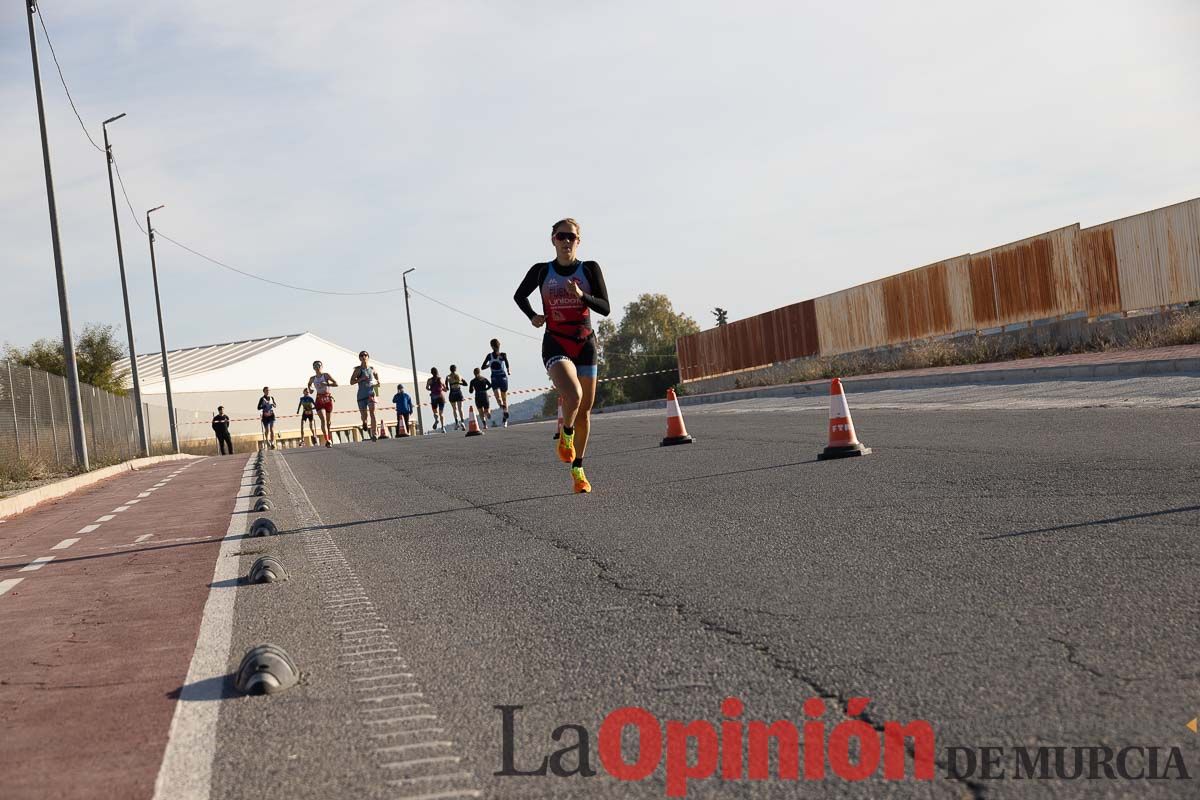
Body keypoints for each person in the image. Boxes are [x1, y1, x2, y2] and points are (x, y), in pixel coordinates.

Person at [514, 217, 610, 493]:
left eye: (571, 237)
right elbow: (519, 295)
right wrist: (533, 316)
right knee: (574, 395)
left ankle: (578, 470)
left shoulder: (589, 269)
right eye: (561, 237)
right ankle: (565, 434)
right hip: (556, 341)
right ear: (552, 239)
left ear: (579, 242)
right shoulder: (542, 271)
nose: (566, 242)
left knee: (585, 412)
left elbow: (605, 307)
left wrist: (581, 295)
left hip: (585, 343)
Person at [306, 360, 339, 447]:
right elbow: (309, 384)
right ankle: (327, 440)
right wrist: (310, 389)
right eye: (315, 365)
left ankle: (329, 437)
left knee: (328, 422)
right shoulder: (312, 378)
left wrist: (327, 384)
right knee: (323, 420)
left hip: (328, 399)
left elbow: (336, 384)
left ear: (322, 366)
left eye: (319, 365)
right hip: (319, 399)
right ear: (313, 368)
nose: (317, 367)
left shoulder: (326, 375)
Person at [351, 350, 380, 442]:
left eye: (365, 355)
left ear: (368, 357)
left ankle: (374, 433)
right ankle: (364, 422)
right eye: (362, 355)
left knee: (373, 413)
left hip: (371, 395)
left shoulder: (372, 369)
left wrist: (378, 384)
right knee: (364, 416)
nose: (364, 356)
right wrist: (361, 379)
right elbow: (351, 382)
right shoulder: (358, 370)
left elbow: (377, 378)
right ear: (359, 358)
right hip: (361, 396)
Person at [482, 338, 512, 426]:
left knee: (498, 397)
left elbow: (482, 367)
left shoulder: (489, 356)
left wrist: (489, 365)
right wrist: (508, 370)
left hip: (495, 377)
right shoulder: (502, 354)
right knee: (504, 398)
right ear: (499, 346)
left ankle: (502, 407)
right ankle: (505, 416)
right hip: (503, 376)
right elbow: (506, 362)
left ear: (491, 346)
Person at [446, 364, 468, 430]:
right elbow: (466, 384)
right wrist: (458, 383)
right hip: (458, 392)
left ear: (450, 369)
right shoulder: (459, 376)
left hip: (452, 393)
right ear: (455, 369)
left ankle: (456, 423)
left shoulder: (448, 377)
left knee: (454, 409)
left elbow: (447, 387)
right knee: (460, 409)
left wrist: (451, 384)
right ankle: (462, 422)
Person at [426, 367, 447, 433]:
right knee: (441, 414)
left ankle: (436, 419)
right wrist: (442, 389)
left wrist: (431, 390)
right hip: (441, 397)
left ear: (431, 373)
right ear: (437, 372)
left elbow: (427, 388)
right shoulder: (441, 379)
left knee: (435, 412)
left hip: (433, 397)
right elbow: (445, 389)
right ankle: (443, 427)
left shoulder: (429, 380)